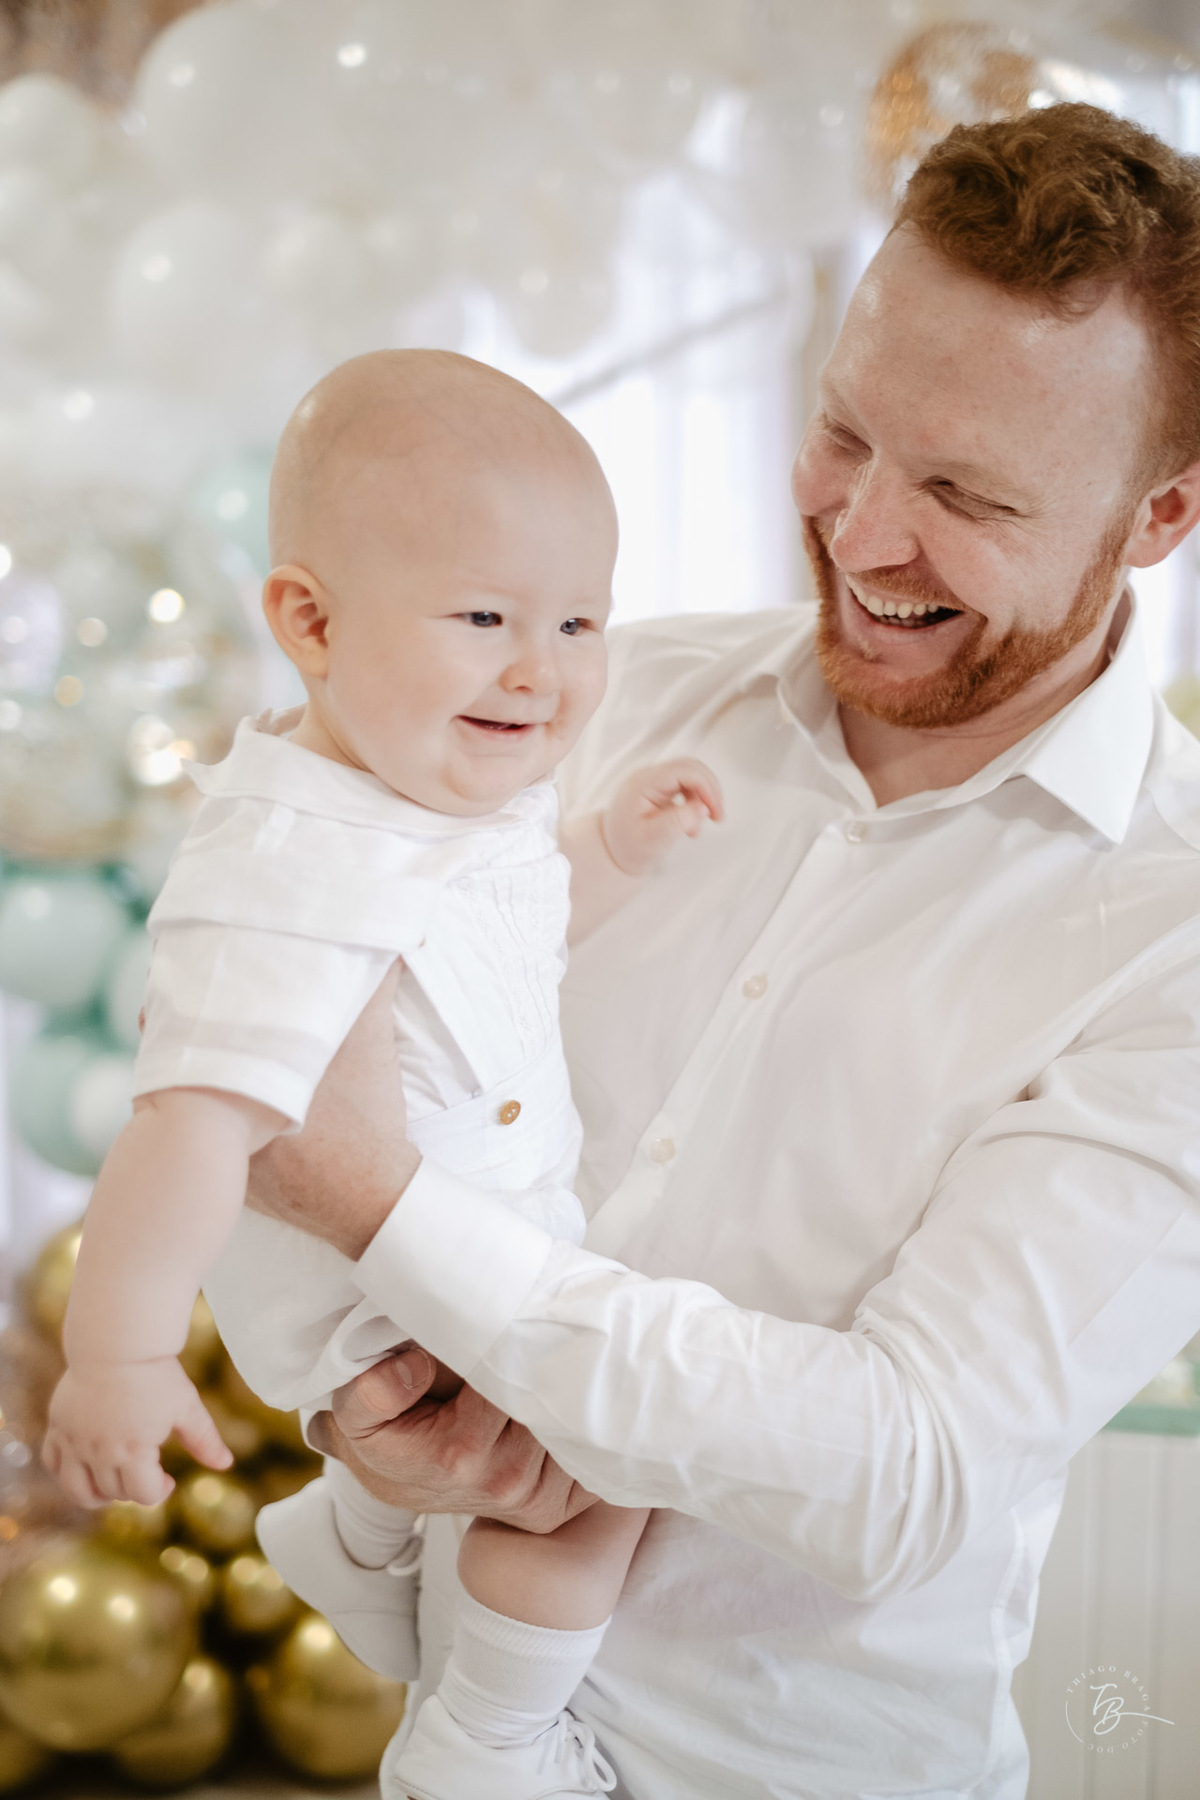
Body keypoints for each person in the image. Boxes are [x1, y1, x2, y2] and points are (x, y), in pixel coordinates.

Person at [243, 104, 1200, 1800]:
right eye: (846, 433)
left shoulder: (1175, 931)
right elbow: (307, 1034)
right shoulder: (576, 704)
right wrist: (367, 1416)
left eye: (967, 496)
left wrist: (397, 1221)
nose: (860, 530)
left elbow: (901, 1471)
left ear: (1160, 516)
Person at [40, 351, 724, 1797]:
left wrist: (614, 850)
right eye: (483, 617)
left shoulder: (444, 795)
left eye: (580, 620)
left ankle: (360, 1537)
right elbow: (185, 1119)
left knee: (586, 1463)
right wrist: (121, 1351)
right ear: (310, 619)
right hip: (379, 1294)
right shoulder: (291, 863)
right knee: (614, 1478)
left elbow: (507, 938)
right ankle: (483, 1746)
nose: (542, 668)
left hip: (476, 1245)